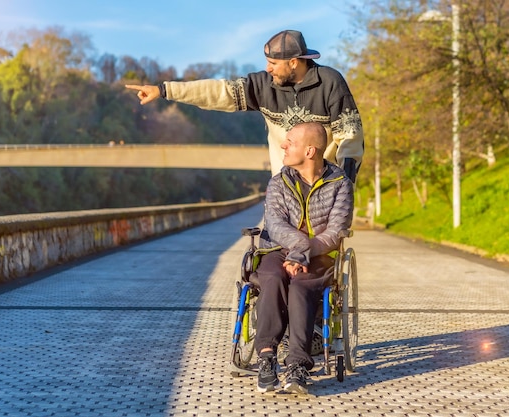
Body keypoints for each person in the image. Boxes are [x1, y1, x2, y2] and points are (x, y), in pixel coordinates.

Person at [125, 29, 364, 183]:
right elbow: (218, 91)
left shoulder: (330, 82)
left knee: (321, 253)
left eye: (273, 63)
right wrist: (164, 90)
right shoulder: (262, 85)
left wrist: (344, 185)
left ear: (293, 62)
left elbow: (350, 137)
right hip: (285, 185)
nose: (268, 68)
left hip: (326, 183)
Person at [253, 121, 354, 394]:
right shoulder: (278, 182)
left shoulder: (340, 185)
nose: (284, 146)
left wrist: (304, 254)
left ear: (310, 151)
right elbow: (274, 225)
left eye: (291, 142)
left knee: (301, 285)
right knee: (272, 277)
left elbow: (335, 232)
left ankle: (297, 364)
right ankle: (266, 356)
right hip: (277, 249)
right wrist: (297, 250)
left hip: (320, 255)